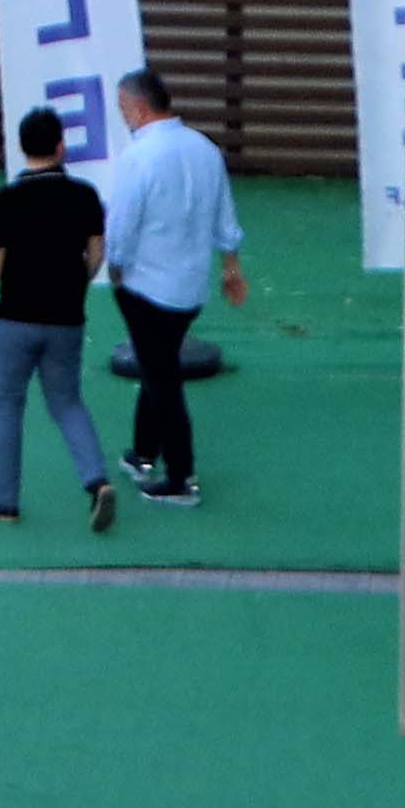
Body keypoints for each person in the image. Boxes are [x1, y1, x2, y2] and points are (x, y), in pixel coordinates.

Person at [0, 104, 119, 530]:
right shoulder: (84, 196)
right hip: (67, 321)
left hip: (15, 320)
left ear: (21, 148)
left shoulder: (8, 199)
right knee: (67, 402)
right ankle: (96, 481)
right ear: (60, 146)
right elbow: (96, 253)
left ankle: (6, 501)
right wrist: (77, 283)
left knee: (6, 406)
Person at [104, 67, 246, 508]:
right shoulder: (205, 149)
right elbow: (225, 216)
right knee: (158, 363)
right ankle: (144, 452)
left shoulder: (137, 158)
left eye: (123, 108)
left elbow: (121, 226)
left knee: (162, 378)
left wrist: (115, 268)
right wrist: (231, 265)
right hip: (190, 286)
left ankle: (181, 477)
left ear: (138, 108)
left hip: (146, 285)